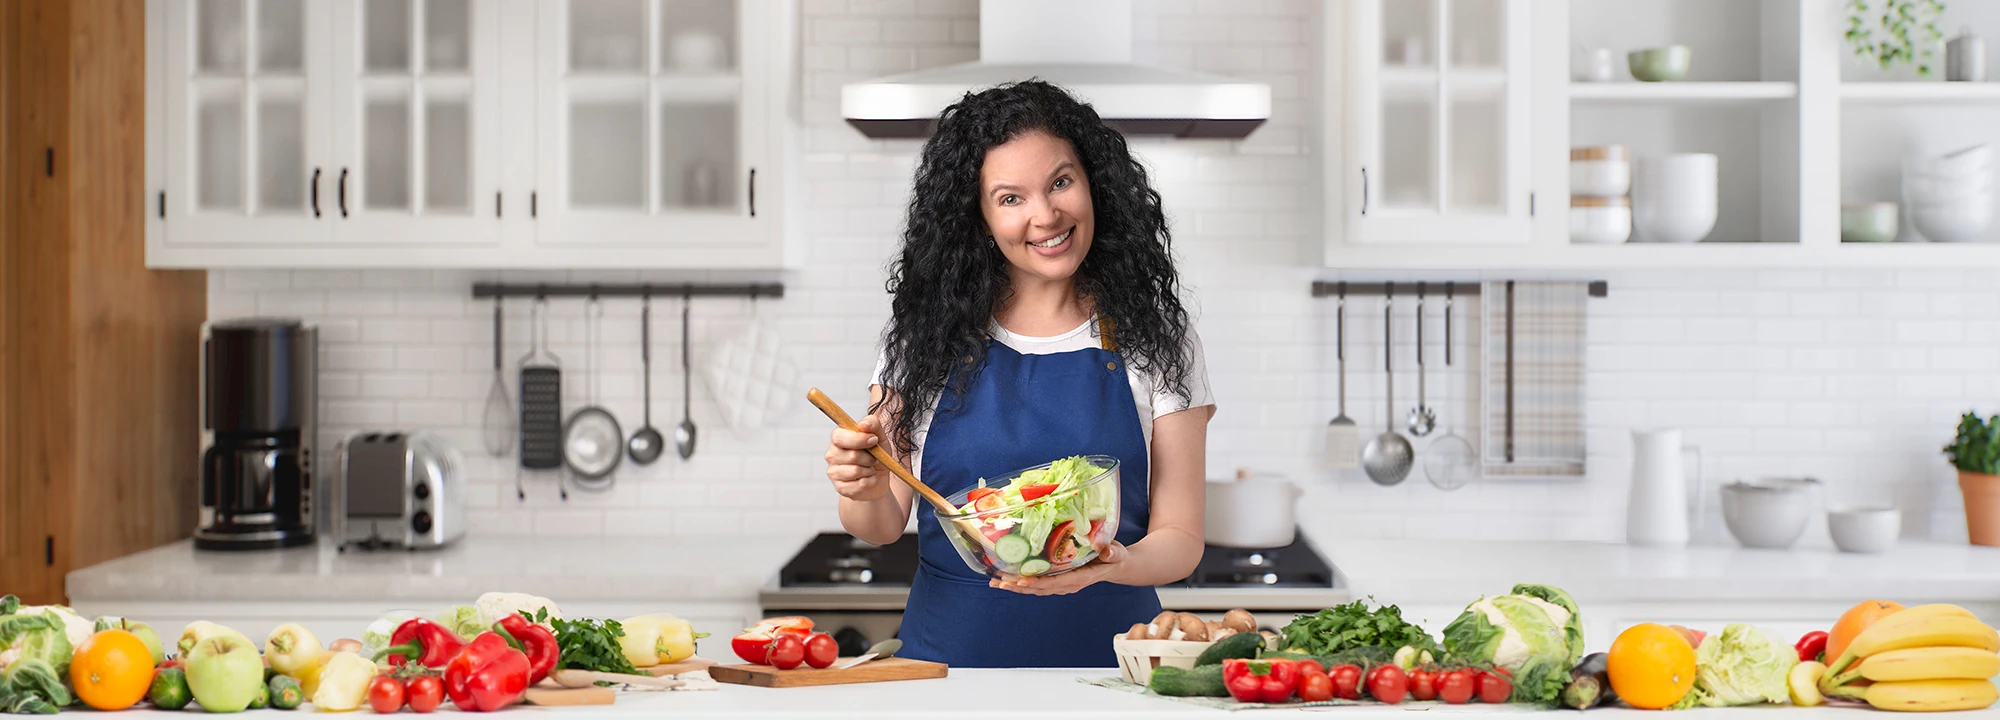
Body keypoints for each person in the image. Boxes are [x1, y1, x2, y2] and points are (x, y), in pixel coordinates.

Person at [821, 80, 1215, 669]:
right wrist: (864, 487)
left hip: (1113, 678)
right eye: (1010, 198)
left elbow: (1181, 539)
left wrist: (1119, 565)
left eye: (1060, 182)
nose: (1045, 215)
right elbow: (879, 525)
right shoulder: (922, 338)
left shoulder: (1155, 339)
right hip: (947, 678)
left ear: (1093, 184)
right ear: (978, 216)